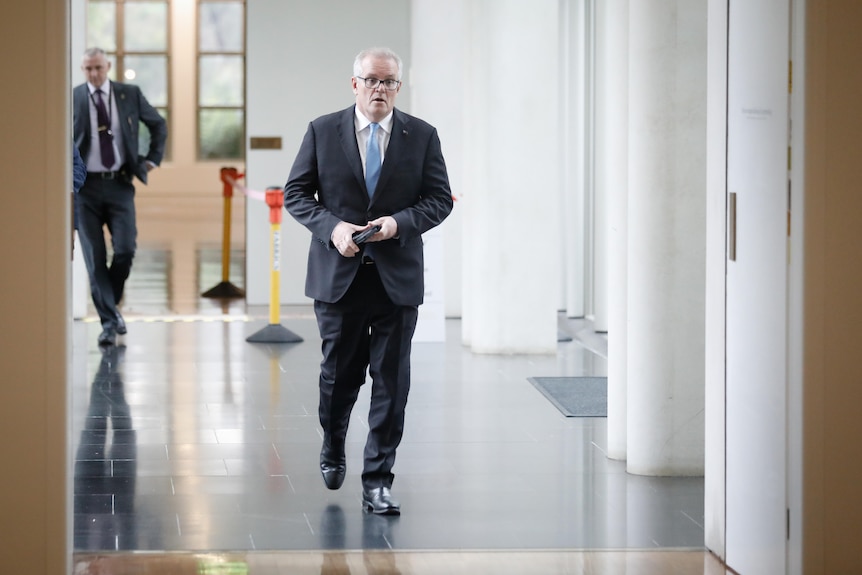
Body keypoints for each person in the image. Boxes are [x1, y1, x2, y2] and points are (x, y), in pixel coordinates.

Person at [284, 47, 453, 515]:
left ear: (399, 86)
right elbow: (297, 194)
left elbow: (439, 200)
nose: (381, 90)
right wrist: (333, 228)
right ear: (354, 83)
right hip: (338, 278)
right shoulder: (322, 130)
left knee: (391, 382)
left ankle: (378, 478)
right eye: (372, 80)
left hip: (396, 278)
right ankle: (333, 441)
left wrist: (399, 223)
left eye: (390, 82)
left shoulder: (421, 135)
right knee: (339, 376)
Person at [73, 47, 167, 346]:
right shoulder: (72, 97)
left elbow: (158, 124)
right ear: (82, 69)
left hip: (120, 184)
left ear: (108, 66)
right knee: (94, 258)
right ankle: (109, 322)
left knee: (125, 250)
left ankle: (110, 305)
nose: (94, 74)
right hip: (84, 189)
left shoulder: (129, 94)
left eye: (98, 67)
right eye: (88, 69)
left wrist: (151, 159)